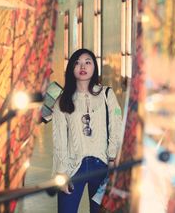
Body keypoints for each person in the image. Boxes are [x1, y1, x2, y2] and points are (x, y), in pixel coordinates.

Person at [52, 48, 123, 213]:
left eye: (87, 62)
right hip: (73, 167)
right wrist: (61, 173)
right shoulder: (62, 101)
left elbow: (116, 126)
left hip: (103, 165)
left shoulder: (107, 94)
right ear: (71, 69)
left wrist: (112, 157)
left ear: (94, 67)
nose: (82, 66)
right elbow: (59, 140)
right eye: (77, 63)